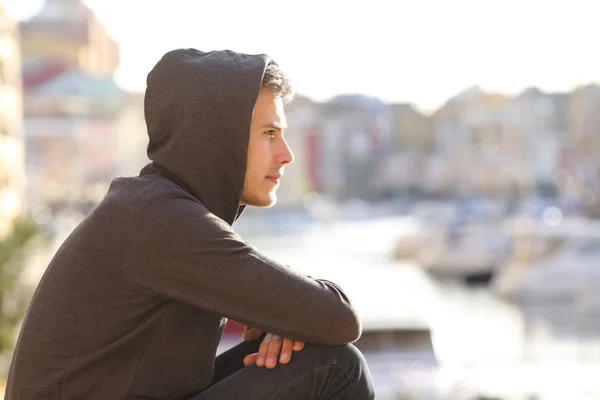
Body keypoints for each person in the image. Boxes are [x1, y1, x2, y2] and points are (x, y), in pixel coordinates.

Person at [6, 49, 375, 399]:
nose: (286, 154)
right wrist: (296, 307)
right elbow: (341, 318)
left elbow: (322, 318)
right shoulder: (162, 220)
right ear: (220, 139)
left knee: (302, 351)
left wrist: (292, 311)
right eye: (269, 133)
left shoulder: (154, 206)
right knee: (338, 367)